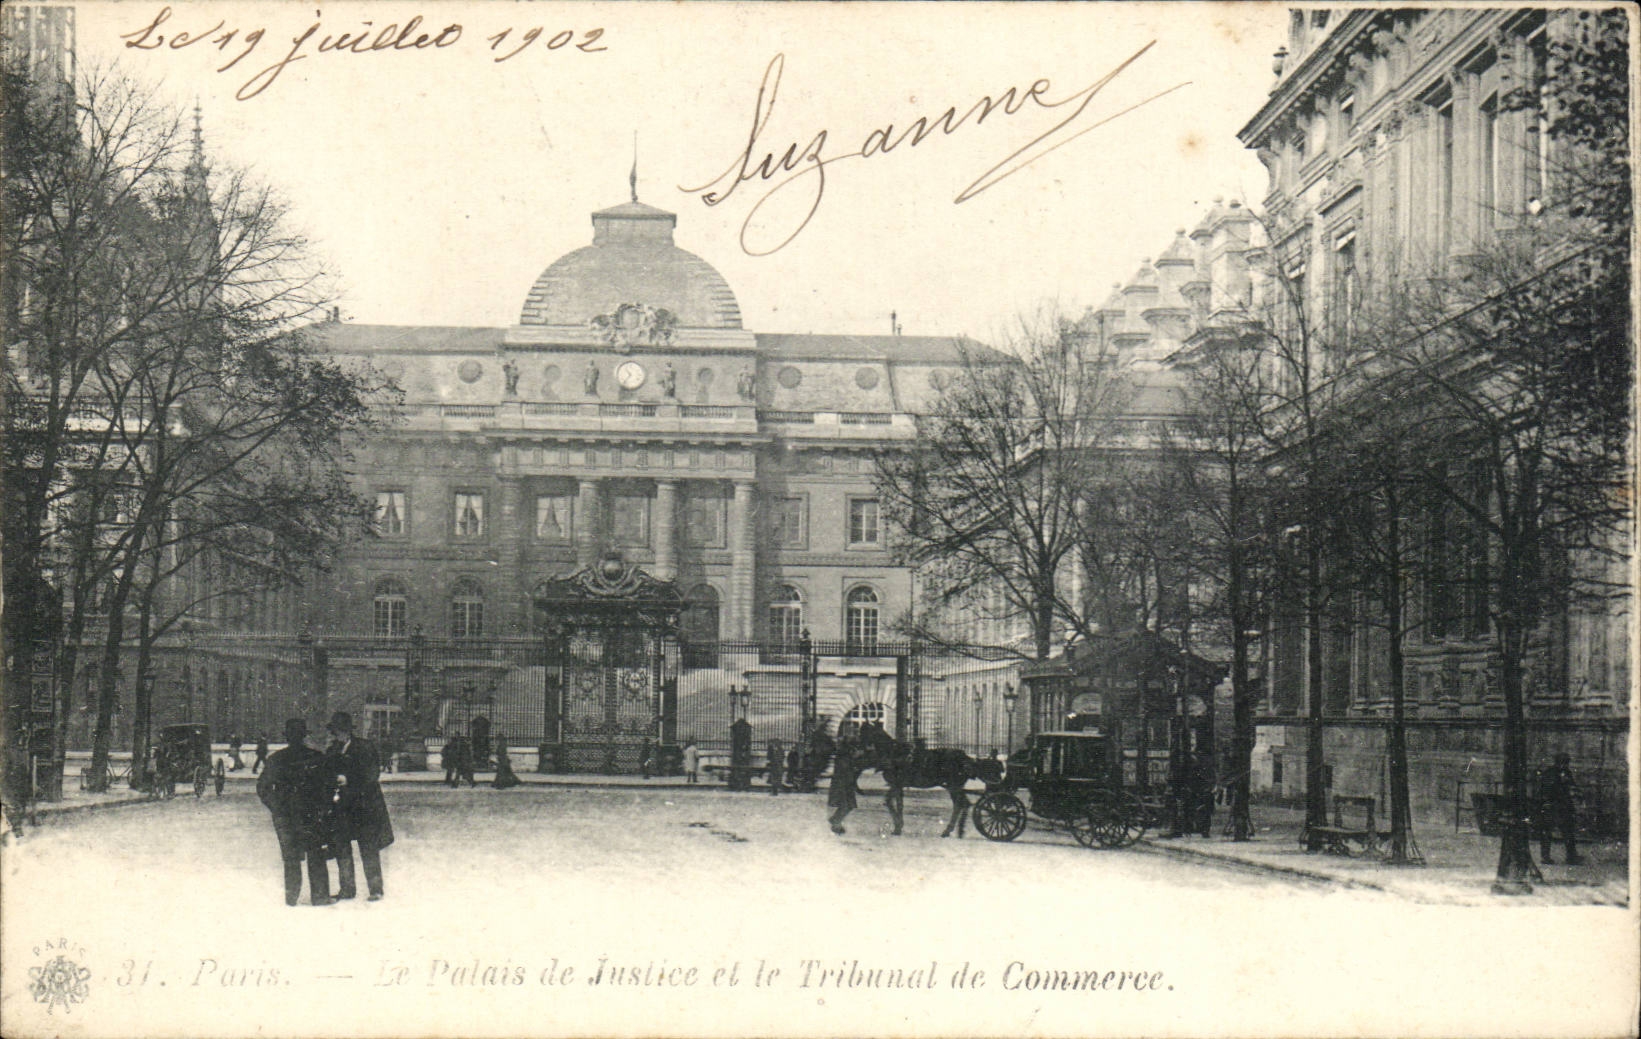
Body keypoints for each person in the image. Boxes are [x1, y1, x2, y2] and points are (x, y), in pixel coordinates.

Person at [256, 719, 333, 907]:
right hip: (311, 814)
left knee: (290, 858)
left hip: (286, 816)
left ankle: (291, 898)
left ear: (287, 737)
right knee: (315, 855)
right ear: (304, 736)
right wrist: (323, 807)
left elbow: (262, 787)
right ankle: (320, 897)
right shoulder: (316, 757)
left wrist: (276, 806)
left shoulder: (276, 759)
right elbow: (328, 786)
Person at [323, 711, 395, 902]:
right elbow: (326, 772)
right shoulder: (332, 750)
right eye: (335, 732)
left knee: (368, 848)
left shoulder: (364, 747)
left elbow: (372, 774)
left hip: (364, 806)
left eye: (339, 731)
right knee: (342, 848)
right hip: (342, 808)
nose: (337, 735)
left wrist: (349, 779)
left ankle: (375, 889)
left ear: (347, 730)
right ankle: (347, 889)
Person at [1538, 753, 1582, 865]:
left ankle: (1571, 856)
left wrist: (1575, 793)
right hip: (1552, 806)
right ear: (1558, 762)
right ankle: (1545, 856)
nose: (1565, 765)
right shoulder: (1550, 773)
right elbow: (1545, 789)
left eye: (1566, 763)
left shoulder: (1566, 773)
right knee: (1548, 832)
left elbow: (1572, 786)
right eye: (1563, 762)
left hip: (1564, 806)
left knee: (1568, 832)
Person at [827, 738, 862, 834]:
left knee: (849, 805)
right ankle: (836, 822)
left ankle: (835, 820)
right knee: (846, 805)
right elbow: (846, 770)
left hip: (845, 785)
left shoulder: (845, 757)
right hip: (842, 785)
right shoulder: (843, 757)